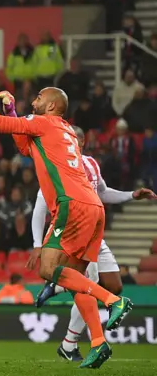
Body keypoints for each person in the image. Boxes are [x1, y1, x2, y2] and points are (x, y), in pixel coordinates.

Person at [0, 81, 132, 369]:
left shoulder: (45, 123)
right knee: (77, 282)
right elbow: (25, 146)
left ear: (51, 105)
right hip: (94, 208)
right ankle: (98, 342)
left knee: (47, 269)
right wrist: (12, 109)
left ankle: (113, 300)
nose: (34, 100)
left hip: (72, 205)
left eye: (39, 97)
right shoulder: (63, 131)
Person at [29, 125, 156, 361]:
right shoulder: (57, 166)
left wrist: (131, 195)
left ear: (82, 142)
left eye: (74, 139)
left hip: (94, 233)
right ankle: (71, 342)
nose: (69, 143)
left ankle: (59, 288)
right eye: (66, 138)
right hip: (71, 234)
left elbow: (103, 193)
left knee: (114, 285)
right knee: (88, 283)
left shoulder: (90, 165)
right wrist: (37, 244)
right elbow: (40, 207)